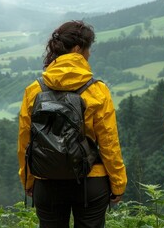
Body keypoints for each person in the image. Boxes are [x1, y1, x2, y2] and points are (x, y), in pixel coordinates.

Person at [17, 20, 127, 228]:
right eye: (88, 48)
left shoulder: (34, 90)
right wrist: (118, 184)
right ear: (78, 49)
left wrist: (28, 180)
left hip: (47, 180)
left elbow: (25, 141)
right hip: (90, 180)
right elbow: (109, 142)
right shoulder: (97, 90)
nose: (90, 54)